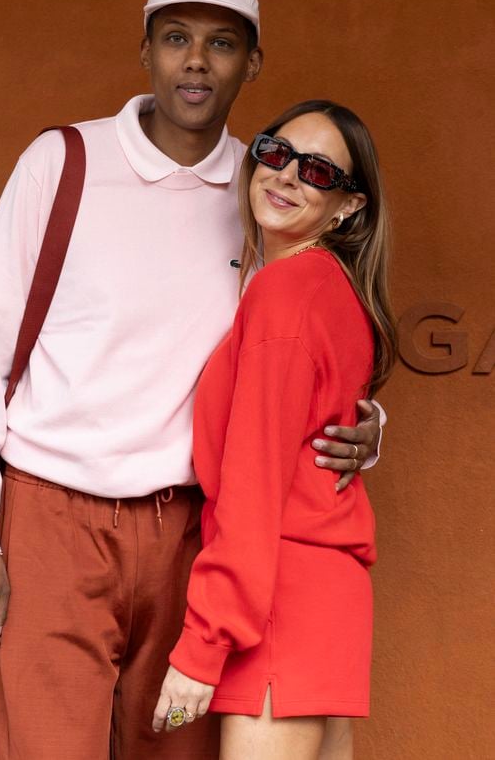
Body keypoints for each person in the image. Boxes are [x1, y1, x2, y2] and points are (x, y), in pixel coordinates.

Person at [0, 0, 384, 759]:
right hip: (53, 517)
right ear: (145, 51)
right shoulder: (64, 161)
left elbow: (300, 346)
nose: (196, 60)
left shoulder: (264, 190)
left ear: (253, 63)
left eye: (222, 43)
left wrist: (366, 424)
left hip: (190, 534)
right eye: (176, 38)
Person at [153, 100, 396, 760]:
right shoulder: (334, 288)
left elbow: (254, 482)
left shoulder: (285, 292)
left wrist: (203, 645)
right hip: (325, 591)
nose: (287, 174)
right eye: (276, 152)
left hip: (279, 597)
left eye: (317, 171)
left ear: (348, 206)